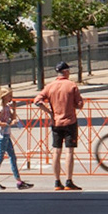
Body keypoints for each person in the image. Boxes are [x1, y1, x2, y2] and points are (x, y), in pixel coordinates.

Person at [34, 62, 85, 191]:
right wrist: (72, 105)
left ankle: (57, 181)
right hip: (70, 122)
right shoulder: (71, 85)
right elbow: (80, 104)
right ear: (66, 72)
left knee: (56, 151)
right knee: (69, 151)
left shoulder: (50, 86)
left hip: (56, 122)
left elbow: (37, 101)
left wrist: (49, 112)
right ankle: (69, 181)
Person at [0, 90, 32, 190]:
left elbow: (13, 117)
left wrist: (14, 110)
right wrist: (7, 124)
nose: (11, 98)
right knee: (0, 157)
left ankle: (18, 181)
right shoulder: (0, 108)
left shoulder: (7, 107)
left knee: (12, 157)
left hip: (7, 134)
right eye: (9, 96)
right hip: (2, 135)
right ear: (4, 97)